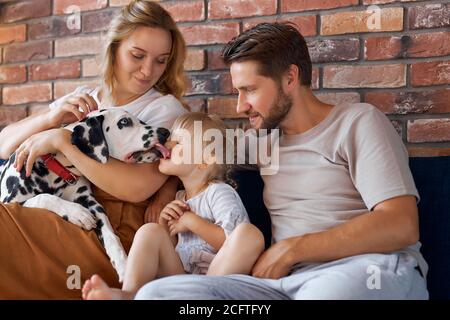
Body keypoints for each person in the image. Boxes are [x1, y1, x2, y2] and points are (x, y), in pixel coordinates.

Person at [134, 22, 429, 300]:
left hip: (364, 269)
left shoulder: (358, 122)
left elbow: (400, 224)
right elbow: (188, 153)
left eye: (249, 90)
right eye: (238, 92)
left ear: (290, 77)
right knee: (156, 294)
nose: (239, 106)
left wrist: (292, 249)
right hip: (283, 285)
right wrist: (165, 189)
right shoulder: (265, 144)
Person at [0, 0, 188, 299]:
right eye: (137, 55)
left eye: (161, 60)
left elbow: (136, 188)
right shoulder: (84, 97)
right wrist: (51, 118)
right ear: (114, 49)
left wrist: (63, 142)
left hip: (108, 234)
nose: (148, 70)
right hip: (56, 211)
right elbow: (4, 144)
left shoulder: (163, 109)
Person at [80, 112, 265, 300]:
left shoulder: (218, 192)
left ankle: (203, 297)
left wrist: (192, 221)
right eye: (170, 140)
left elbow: (230, 240)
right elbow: (176, 249)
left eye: (179, 142)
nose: (167, 145)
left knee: (248, 235)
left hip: (218, 281)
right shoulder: (179, 197)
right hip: (183, 281)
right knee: (150, 231)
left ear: (204, 160)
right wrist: (165, 227)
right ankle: (129, 294)